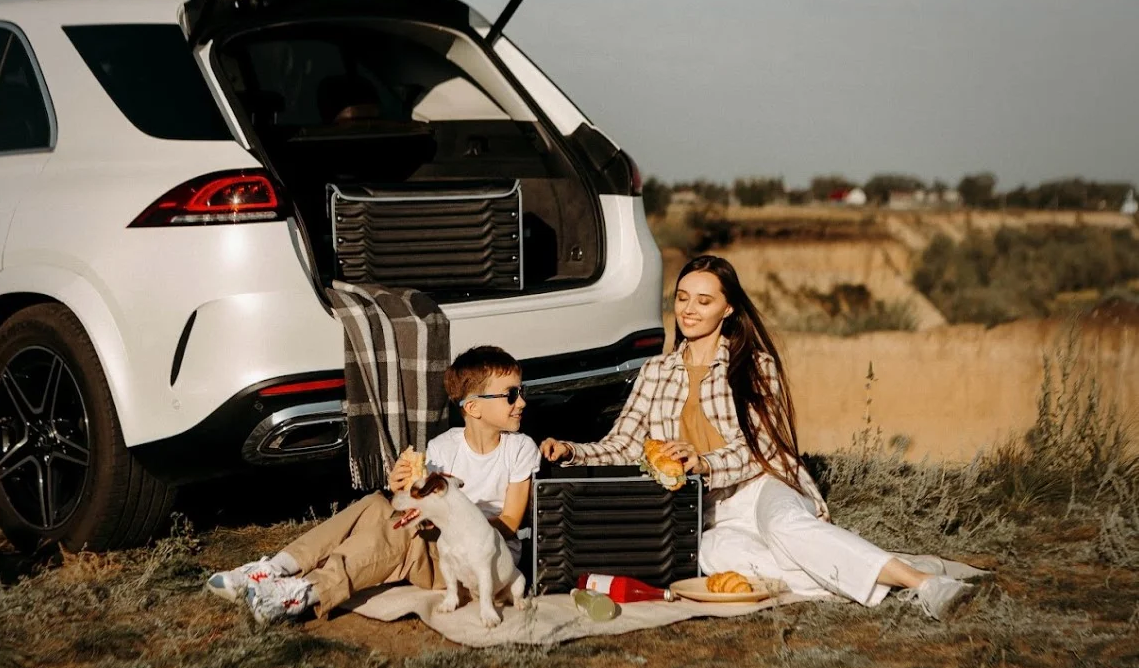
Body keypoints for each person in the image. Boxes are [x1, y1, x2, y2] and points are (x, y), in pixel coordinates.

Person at [540, 255, 975, 620]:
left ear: (727, 309)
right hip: (704, 508)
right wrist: (572, 450)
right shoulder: (656, 372)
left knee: (787, 527)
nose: (689, 310)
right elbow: (624, 444)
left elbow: (760, 448)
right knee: (712, 556)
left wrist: (705, 461)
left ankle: (925, 583)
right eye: (682, 298)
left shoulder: (753, 365)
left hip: (762, 482)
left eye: (704, 301)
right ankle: (881, 569)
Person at [207, 346, 541, 624]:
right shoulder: (443, 448)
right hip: (445, 548)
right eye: (512, 395)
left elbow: (510, 522)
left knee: (399, 533)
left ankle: (305, 591)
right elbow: (421, 508)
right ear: (473, 407)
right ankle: (273, 569)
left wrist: (449, 519)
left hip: (481, 568)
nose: (521, 402)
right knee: (377, 505)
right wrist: (402, 488)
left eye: (520, 392)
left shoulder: (519, 448)